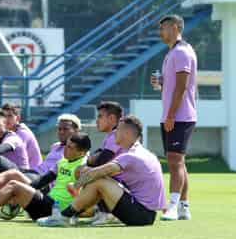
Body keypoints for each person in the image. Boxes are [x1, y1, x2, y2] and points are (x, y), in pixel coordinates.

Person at [38, 115, 166, 227]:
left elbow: (100, 172)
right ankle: (74, 214)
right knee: (98, 179)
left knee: (98, 180)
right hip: (146, 213)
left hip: (141, 215)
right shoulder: (142, 152)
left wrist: (76, 185)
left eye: (118, 129)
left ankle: (65, 216)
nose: (114, 133)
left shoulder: (131, 155)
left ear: (126, 133)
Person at [0, 133, 91, 222]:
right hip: (48, 204)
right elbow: (43, 181)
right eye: (66, 146)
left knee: (14, 183)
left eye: (70, 148)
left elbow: (89, 196)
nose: (65, 149)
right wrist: (24, 191)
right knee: (14, 183)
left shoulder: (83, 166)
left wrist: (76, 214)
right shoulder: (62, 161)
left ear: (82, 152)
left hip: (58, 211)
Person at [0, 114, 82, 203]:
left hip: (42, 183)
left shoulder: (78, 152)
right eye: (59, 129)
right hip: (32, 173)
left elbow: (67, 175)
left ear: (76, 131)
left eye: (65, 129)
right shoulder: (55, 146)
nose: (61, 132)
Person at [151, 14, 197, 221]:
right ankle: (184, 207)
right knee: (178, 161)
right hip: (171, 115)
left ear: (176, 27)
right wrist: (160, 83)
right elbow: (172, 85)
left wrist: (171, 114)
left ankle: (172, 206)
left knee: (174, 160)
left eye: (164, 27)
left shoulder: (181, 52)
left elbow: (182, 86)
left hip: (180, 116)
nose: (160, 32)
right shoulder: (172, 53)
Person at [1, 103, 43, 169]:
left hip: (33, 173)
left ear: (18, 118)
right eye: (4, 116)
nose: (6, 119)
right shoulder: (10, 132)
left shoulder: (22, 133)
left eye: (10, 116)